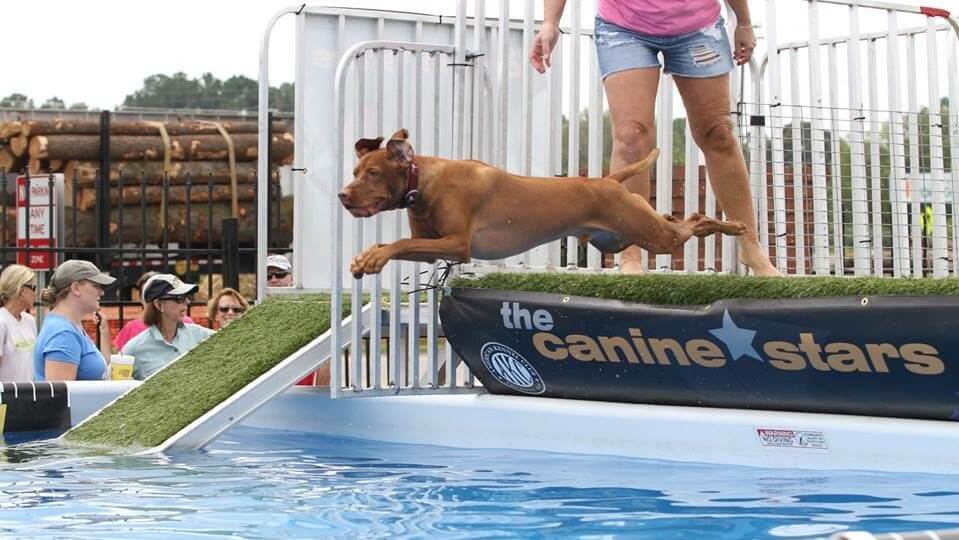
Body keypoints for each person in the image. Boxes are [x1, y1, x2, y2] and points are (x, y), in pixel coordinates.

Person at [529, 0, 780, 276]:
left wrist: (743, 22)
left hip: (698, 27)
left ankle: (751, 247)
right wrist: (550, 23)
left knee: (718, 132)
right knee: (631, 135)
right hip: (624, 28)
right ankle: (630, 254)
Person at [34, 260, 115, 381]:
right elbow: (60, 395)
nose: (102, 292)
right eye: (96, 286)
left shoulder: (69, 326)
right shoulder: (63, 333)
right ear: (76, 288)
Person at [122, 274, 214, 380]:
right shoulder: (134, 349)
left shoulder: (202, 335)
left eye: (187, 297)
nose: (187, 302)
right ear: (158, 304)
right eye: (179, 298)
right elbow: (114, 385)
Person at [113, 271, 194, 351]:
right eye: (179, 298)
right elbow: (119, 358)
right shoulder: (131, 329)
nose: (187, 302)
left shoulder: (190, 325)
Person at [0, 265, 38, 381]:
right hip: (7, 396)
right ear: (22, 290)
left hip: (29, 395)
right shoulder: (2, 321)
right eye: (34, 287)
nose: (36, 293)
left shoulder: (29, 320)